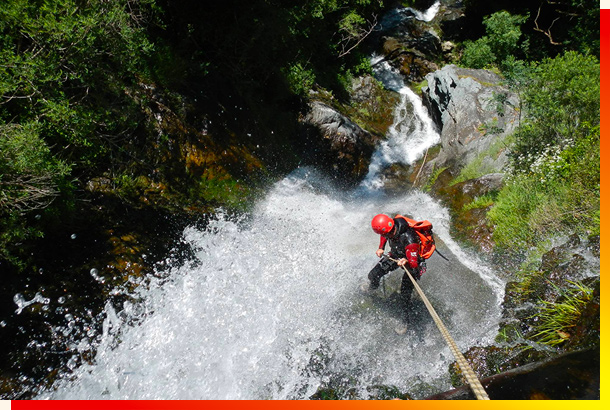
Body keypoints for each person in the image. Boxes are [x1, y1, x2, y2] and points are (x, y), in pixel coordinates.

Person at [362, 213, 427, 334]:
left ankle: (405, 320)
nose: (383, 235)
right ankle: (373, 286)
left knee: (404, 295)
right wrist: (381, 247)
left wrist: (406, 261)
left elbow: (414, 264)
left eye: (384, 234)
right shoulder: (391, 226)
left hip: (413, 263)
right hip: (397, 254)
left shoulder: (409, 239)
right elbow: (384, 235)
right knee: (373, 274)